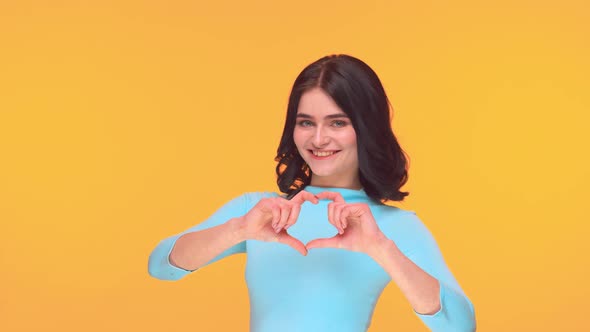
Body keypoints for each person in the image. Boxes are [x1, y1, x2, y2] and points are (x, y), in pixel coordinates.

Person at [148, 54, 476, 332]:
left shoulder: (391, 226)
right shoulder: (258, 212)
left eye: (337, 123)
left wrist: (381, 249)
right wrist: (239, 229)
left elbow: (460, 324)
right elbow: (161, 266)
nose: (318, 139)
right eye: (306, 123)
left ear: (366, 128)